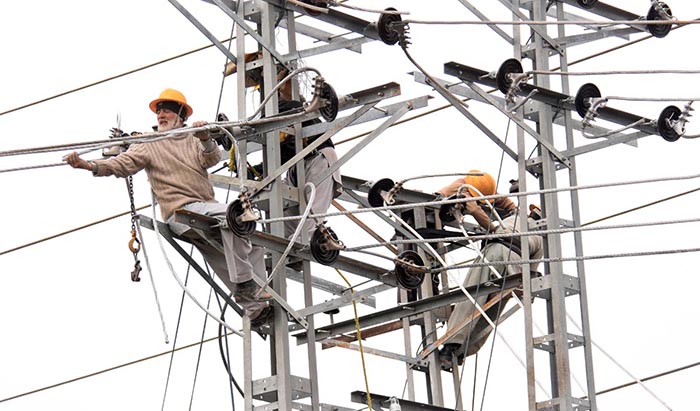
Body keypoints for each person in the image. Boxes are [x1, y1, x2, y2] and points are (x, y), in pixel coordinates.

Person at [64, 88, 274, 327]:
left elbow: (212, 159)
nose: (161, 115)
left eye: (167, 111)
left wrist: (205, 138)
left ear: (181, 115)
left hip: (205, 209)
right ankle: (247, 284)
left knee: (250, 238)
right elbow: (120, 165)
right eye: (159, 111)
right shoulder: (148, 143)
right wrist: (88, 165)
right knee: (234, 217)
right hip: (181, 213)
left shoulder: (193, 137)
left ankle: (256, 309)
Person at [435, 172, 544, 368]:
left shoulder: (518, 221)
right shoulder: (536, 235)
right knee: (490, 313)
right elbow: (532, 274)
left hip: (498, 251)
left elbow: (496, 232)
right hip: (513, 269)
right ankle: (460, 351)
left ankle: (453, 345)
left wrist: (475, 209)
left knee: (472, 296)